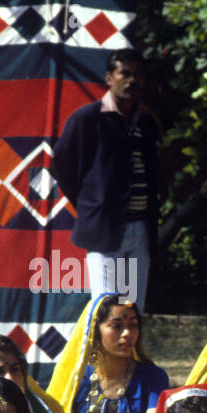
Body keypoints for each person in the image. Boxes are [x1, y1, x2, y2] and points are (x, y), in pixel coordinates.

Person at [53, 49, 158, 310]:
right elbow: (62, 163)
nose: (132, 80)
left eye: (138, 75)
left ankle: (130, 353)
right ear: (110, 77)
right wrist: (92, 203)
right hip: (105, 229)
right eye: (125, 74)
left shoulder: (146, 122)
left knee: (134, 311)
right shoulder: (89, 118)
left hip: (140, 229)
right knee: (107, 311)